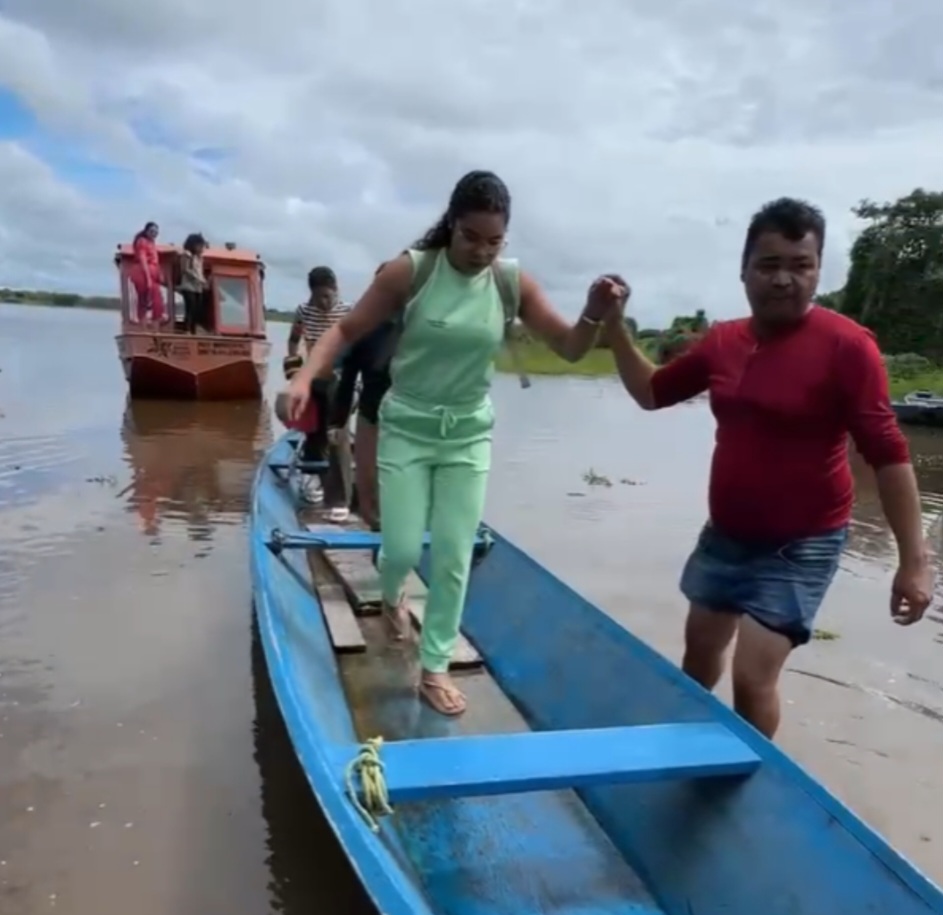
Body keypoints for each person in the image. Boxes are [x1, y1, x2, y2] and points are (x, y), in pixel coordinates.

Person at [284, 169, 625, 715]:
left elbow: (568, 347)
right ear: (451, 226)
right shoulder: (412, 272)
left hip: (467, 434)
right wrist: (305, 377)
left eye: (495, 241)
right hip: (407, 429)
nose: (482, 252)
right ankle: (391, 593)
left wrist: (594, 312)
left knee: (451, 554)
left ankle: (434, 666)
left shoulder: (511, 282)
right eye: (471, 238)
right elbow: (346, 331)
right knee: (397, 547)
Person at [602, 196, 934, 740]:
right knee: (699, 658)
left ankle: (750, 780)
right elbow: (651, 392)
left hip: (802, 544)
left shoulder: (849, 348)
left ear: (818, 270)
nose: (784, 280)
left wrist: (914, 562)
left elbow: (889, 454)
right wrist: (615, 327)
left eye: (800, 266)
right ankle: (683, 749)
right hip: (726, 535)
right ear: (744, 271)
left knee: (752, 677)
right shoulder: (723, 342)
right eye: (770, 264)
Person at [327, 261, 397, 531]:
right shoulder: (363, 330)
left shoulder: (420, 328)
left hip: (412, 421)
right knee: (371, 493)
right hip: (373, 417)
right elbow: (347, 379)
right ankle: (379, 540)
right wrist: (337, 421)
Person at [283, 266, 351, 506]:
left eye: (329, 296)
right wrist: (294, 372)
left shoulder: (345, 312)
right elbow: (293, 341)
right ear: (311, 294)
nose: (324, 302)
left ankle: (339, 483)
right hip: (314, 376)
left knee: (334, 430)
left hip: (339, 377)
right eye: (319, 296)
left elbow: (355, 344)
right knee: (313, 429)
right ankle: (313, 476)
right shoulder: (304, 311)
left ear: (336, 291)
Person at [130, 221, 165, 325]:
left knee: (155, 297)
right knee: (145, 297)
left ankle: (154, 320)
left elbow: (155, 260)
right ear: (146, 231)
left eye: (156, 232)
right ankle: (144, 320)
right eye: (152, 231)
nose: (154, 233)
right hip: (143, 272)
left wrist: (159, 273)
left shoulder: (152, 243)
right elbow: (142, 259)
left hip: (151, 272)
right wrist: (148, 279)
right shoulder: (142, 241)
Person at [179, 232, 209, 334]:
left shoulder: (199, 258)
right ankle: (187, 329)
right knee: (190, 308)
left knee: (197, 308)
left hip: (197, 287)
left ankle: (194, 329)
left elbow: (199, 271)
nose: (201, 248)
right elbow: (185, 270)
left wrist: (204, 281)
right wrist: (199, 279)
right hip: (188, 286)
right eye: (199, 245)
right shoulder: (186, 255)